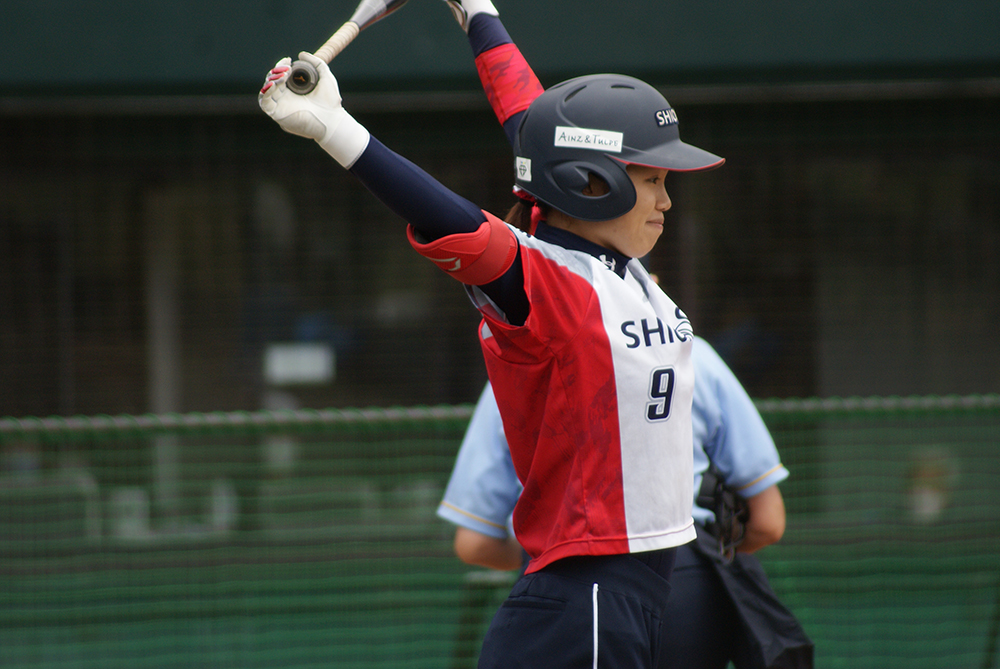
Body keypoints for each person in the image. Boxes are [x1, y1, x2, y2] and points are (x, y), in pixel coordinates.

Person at [259, 0, 724, 662]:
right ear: (592, 185)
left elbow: (538, 128)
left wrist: (479, 12)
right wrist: (336, 128)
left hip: (625, 596)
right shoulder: (547, 277)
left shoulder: (616, 267)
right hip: (585, 596)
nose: (666, 200)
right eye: (651, 180)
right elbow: (455, 220)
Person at [438, 336, 790, 668]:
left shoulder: (521, 361)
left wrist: (545, 557)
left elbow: (475, 543)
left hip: (566, 574)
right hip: (687, 576)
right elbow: (768, 523)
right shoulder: (689, 349)